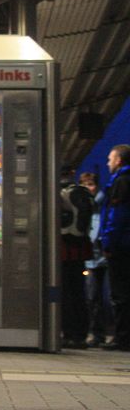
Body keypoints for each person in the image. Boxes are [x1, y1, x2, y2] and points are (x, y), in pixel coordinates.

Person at [99, 144, 130, 351]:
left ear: (119, 160)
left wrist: (108, 242)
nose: (108, 163)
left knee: (120, 293)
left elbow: (116, 215)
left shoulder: (121, 181)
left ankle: (123, 338)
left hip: (121, 245)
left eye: (110, 159)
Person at [59, 165, 93, 349]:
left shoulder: (64, 192)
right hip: (78, 250)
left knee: (66, 293)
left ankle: (71, 333)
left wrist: (67, 232)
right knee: (78, 293)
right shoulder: (80, 192)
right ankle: (79, 334)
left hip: (65, 249)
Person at [80, 171, 111, 346]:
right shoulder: (88, 206)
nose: (88, 188)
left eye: (91, 184)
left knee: (97, 297)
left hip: (101, 257)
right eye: (85, 185)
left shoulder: (100, 206)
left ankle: (98, 333)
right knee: (92, 297)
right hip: (92, 258)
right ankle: (96, 333)